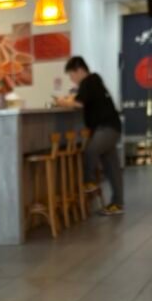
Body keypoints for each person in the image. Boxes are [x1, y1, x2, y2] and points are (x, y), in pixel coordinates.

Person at [57, 56, 124, 216]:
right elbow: (82, 100)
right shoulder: (94, 81)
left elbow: (79, 103)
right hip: (112, 127)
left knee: (91, 150)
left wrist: (62, 102)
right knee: (112, 168)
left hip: (107, 128)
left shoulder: (89, 80)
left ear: (79, 70)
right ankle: (117, 203)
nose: (72, 79)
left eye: (71, 75)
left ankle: (89, 181)